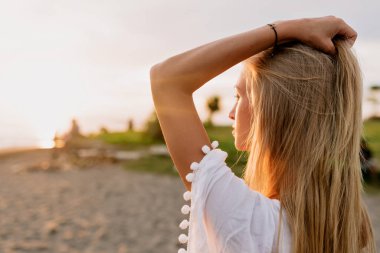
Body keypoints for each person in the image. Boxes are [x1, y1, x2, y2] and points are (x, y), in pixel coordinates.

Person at [150, 16, 376, 253]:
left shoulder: (246, 219)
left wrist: (287, 29)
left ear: (268, 109)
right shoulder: (348, 224)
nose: (230, 113)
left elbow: (166, 80)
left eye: (239, 96)